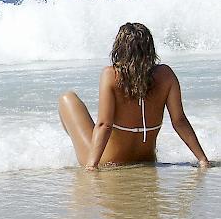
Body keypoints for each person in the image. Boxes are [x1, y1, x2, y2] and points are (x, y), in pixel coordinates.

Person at [59, 22, 210, 170]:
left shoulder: (111, 75)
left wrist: (92, 165)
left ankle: (85, 160)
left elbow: (105, 125)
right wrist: (202, 159)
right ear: (150, 49)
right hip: (147, 159)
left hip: (109, 160)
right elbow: (179, 121)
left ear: (119, 49)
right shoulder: (166, 75)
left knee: (67, 99)